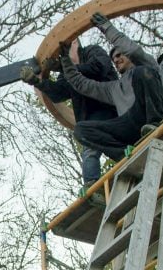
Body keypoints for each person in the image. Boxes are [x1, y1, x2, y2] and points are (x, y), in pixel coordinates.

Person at [58, 13, 163, 162]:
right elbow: (81, 84)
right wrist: (65, 59)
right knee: (81, 130)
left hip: (153, 115)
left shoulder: (147, 66)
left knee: (141, 72)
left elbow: (134, 51)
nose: (116, 59)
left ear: (129, 55)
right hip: (131, 126)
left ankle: (156, 125)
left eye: (119, 54)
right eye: (114, 58)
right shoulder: (113, 88)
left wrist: (106, 27)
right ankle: (125, 155)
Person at [21, 40, 119, 188]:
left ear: (75, 43)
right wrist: (37, 82)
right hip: (89, 118)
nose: (62, 57)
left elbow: (100, 67)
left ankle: (93, 184)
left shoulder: (92, 51)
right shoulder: (67, 71)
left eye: (63, 53)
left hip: (110, 107)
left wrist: (65, 67)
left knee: (91, 149)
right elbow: (58, 93)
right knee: (89, 150)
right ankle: (92, 186)